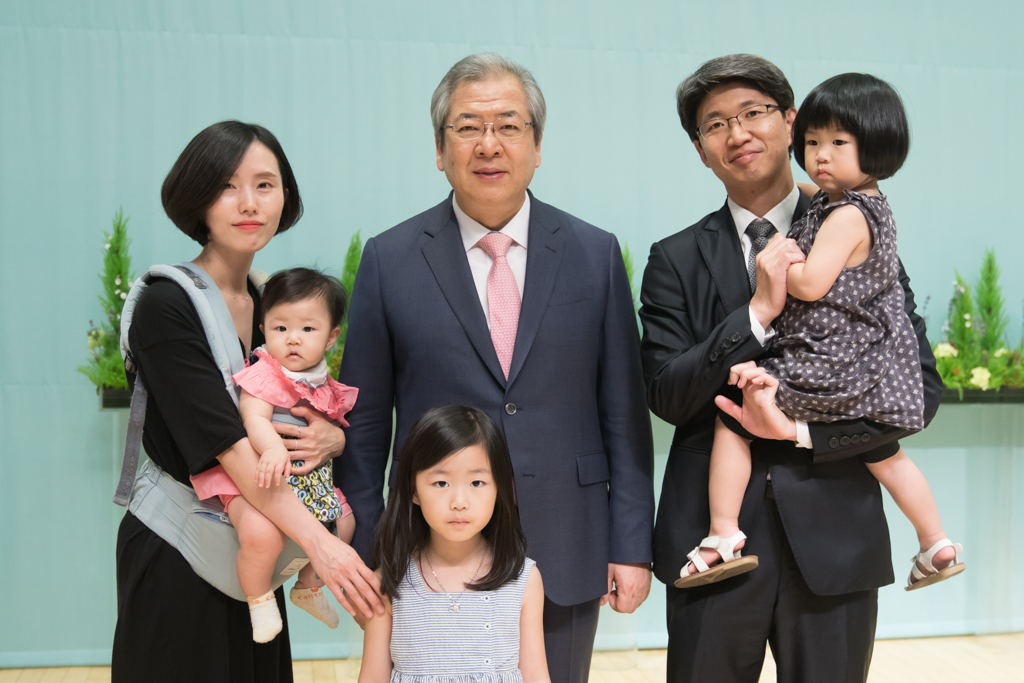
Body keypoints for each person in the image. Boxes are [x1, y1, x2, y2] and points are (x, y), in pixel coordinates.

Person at [339, 53, 654, 683]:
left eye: (509, 125)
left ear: (537, 146)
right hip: (428, 557)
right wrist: (369, 549)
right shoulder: (389, 259)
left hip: (566, 540)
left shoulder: (593, 253)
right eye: (467, 127)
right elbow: (364, 423)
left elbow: (624, 416)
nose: (489, 144)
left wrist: (630, 546)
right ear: (439, 149)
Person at [638, 55, 943, 682]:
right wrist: (755, 314)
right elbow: (668, 394)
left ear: (790, 122)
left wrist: (803, 434)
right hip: (712, 549)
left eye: (753, 112)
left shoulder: (854, 232)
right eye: (715, 124)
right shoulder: (673, 259)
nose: (737, 133)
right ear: (701, 151)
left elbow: (919, 388)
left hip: (836, 536)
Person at [112, 121, 383, 682]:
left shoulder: (272, 304)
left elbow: (308, 405)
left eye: (265, 184)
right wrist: (321, 545)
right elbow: (229, 447)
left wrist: (332, 437)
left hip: (256, 547)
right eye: (226, 186)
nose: (249, 203)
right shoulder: (165, 305)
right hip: (181, 550)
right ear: (196, 198)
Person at [677, 74, 964, 593]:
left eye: (837, 143)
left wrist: (776, 264)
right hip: (864, 372)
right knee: (888, 457)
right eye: (813, 143)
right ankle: (936, 541)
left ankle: (722, 533)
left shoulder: (845, 216)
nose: (820, 156)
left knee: (734, 417)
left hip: (824, 368)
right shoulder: (856, 207)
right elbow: (667, 391)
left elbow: (810, 285)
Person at [189, 267, 361, 641]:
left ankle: (308, 587)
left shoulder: (320, 380)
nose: (293, 339)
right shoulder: (266, 372)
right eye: (281, 328)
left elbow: (330, 427)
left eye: (307, 329)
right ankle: (260, 600)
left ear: (331, 337)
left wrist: (333, 438)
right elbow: (253, 416)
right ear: (264, 329)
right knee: (262, 535)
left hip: (302, 478)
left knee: (345, 523)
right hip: (255, 473)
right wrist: (270, 448)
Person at [358, 405, 549, 683]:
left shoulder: (523, 579)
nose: (459, 502)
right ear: (413, 490)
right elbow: (372, 677)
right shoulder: (388, 581)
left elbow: (536, 675)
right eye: (441, 483)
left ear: (499, 489)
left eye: (477, 482)